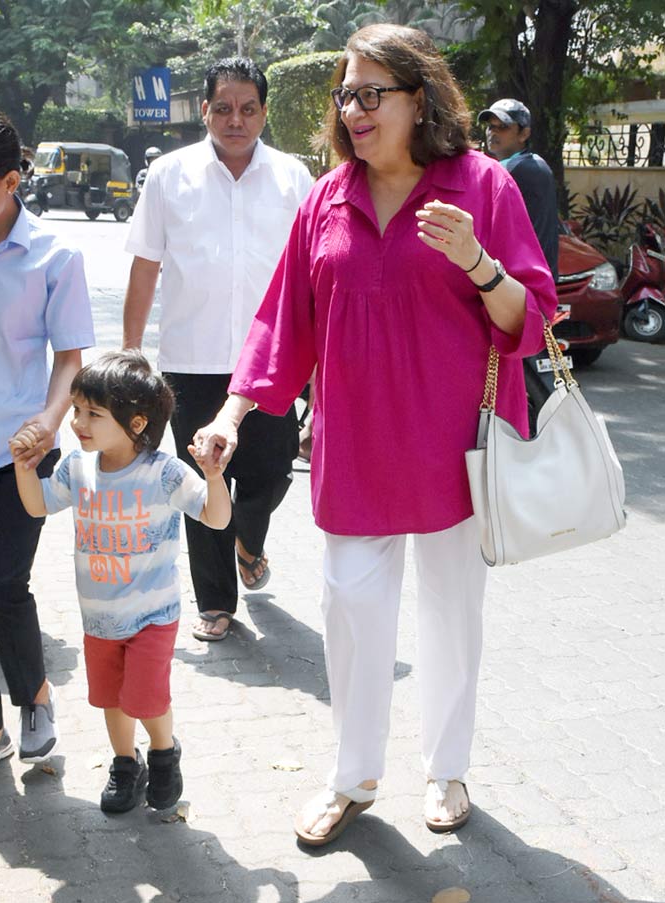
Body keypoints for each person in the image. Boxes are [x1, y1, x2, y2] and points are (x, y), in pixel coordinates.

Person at [192, 24, 558, 845]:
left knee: (452, 612)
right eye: (345, 95)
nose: (354, 111)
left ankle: (447, 768)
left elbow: (530, 318)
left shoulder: (482, 186)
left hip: (456, 448)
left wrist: (479, 263)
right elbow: (284, 320)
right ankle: (352, 776)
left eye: (371, 94)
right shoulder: (328, 197)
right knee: (352, 611)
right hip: (355, 447)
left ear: (419, 100)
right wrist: (230, 414)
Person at [123, 57, 314, 642]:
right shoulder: (168, 175)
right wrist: (129, 354)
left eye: (248, 109)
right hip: (191, 361)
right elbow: (145, 266)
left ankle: (248, 539)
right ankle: (215, 601)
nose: (236, 120)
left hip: (272, 361)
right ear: (205, 109)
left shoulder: (293, 178)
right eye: (224, 108)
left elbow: (312, 273)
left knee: (273, 471)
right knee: (202, 480)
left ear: (264, 112)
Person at [9, 351, 231, 813]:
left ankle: (164, 753)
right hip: (99, 618)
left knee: (146, 698)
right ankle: (125, 764)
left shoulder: (164, 472)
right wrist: (23, 467)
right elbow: (38, 505)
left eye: (93, 413)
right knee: (112, 698)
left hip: (153, 615)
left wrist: (213, 477)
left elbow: (215, 517)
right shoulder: (77, 467)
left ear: (136, 423)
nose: (77, 422)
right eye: (76, 410)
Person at [0, 110, 94, 767]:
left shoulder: (55, 255)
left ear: (10, 182)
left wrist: (51, 421)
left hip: (20, 451)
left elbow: (70, 357)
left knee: (4, 581)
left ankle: (34, 698)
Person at [478, 98, 559, 279]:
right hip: (527, 280)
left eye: (503, 127)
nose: (493, 132)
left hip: (522, 283)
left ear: (524, 134)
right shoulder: (532, 164)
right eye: (490, 126)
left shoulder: (517, 170)